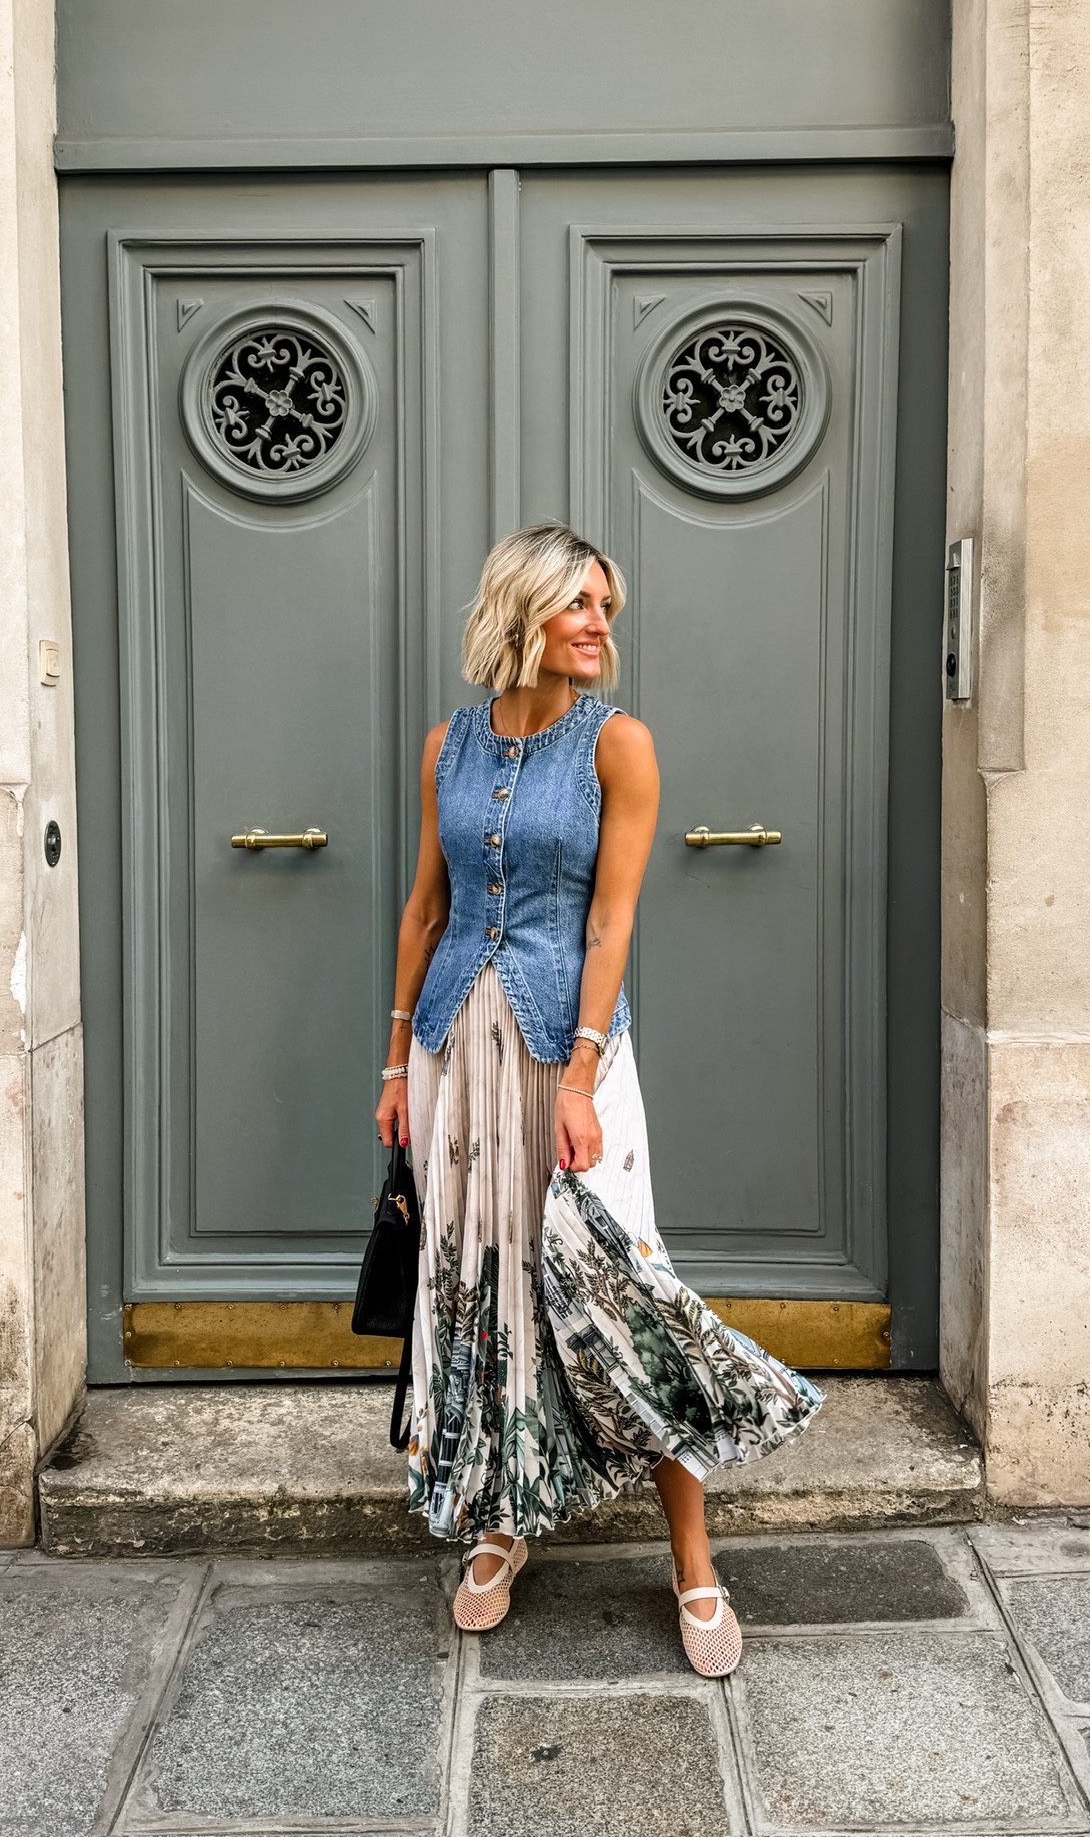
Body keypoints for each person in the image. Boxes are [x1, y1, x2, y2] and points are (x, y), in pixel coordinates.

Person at [374, 522, 822, 1677]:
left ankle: (692, 1554)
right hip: (450, 1048)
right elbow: (426, 910)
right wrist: (391, 1065)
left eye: (607, 608)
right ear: (522, 609)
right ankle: (502, 1518)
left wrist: (578, 1076)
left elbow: (612, 921)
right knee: (481, 1283)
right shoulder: (448, 745)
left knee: (624, 1282)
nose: (599, 625)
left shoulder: (618, 745)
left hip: (564, 1049)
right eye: (580, 603)